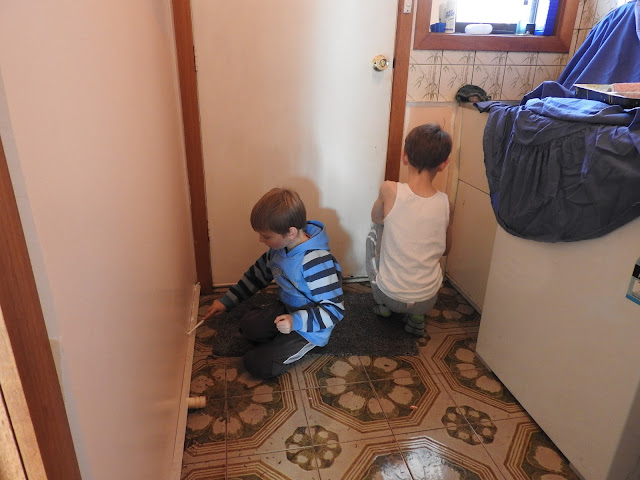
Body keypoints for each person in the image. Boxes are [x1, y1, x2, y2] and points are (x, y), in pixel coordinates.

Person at [203, 187, 344, 379]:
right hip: (286, 307)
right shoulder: (278, 249)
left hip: (309, 326)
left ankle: (297, 342)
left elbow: (334, 310)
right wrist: (226, 302)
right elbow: (255, 276)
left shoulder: (316, 262)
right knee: (248, 327)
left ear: (290, 232)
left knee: (256, 364)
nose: (260, 240)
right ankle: (274, 328)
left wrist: (295, 321)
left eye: (266, 236)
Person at [366, 123, 453, 337]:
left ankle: (384, 308)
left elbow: (375, 217)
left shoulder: (389, 189)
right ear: (444, 164)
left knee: (375, 231)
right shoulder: (446, 203)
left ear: (404, 157)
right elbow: (446, 250)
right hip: (427, 299)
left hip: (389, 295)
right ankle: (416, 319)